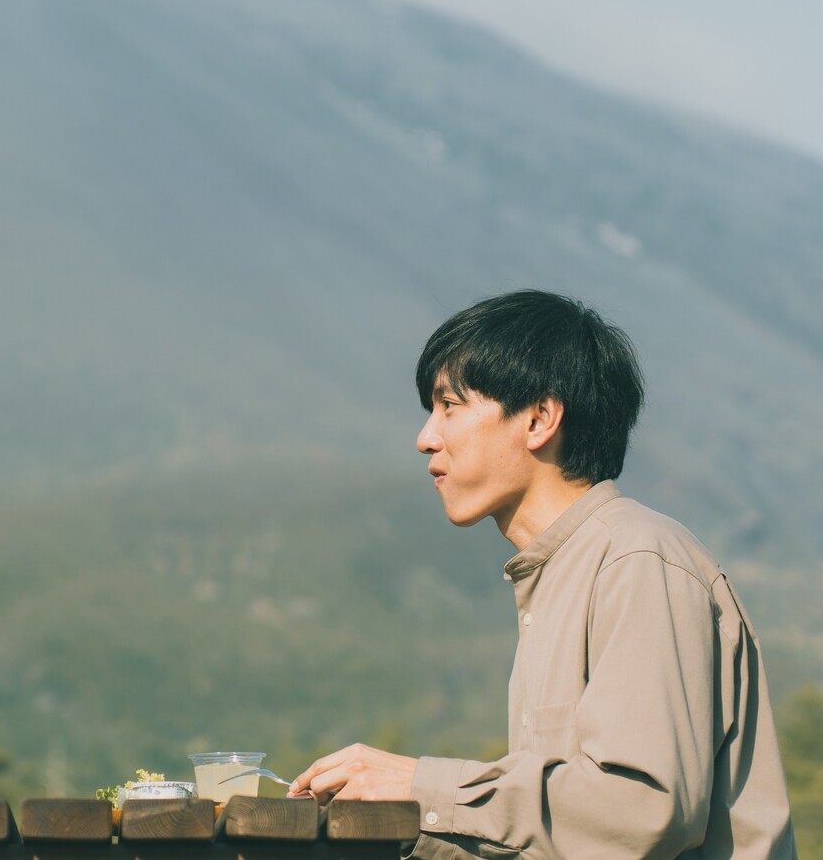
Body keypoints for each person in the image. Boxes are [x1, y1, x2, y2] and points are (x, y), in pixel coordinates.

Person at [290, 291, 796, 859]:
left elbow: (640, 814)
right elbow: (556, 840)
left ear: (538, 419)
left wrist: (419, 786)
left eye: (449, 406)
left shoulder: (636, 561)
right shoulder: (553, 578)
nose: (426, 437)